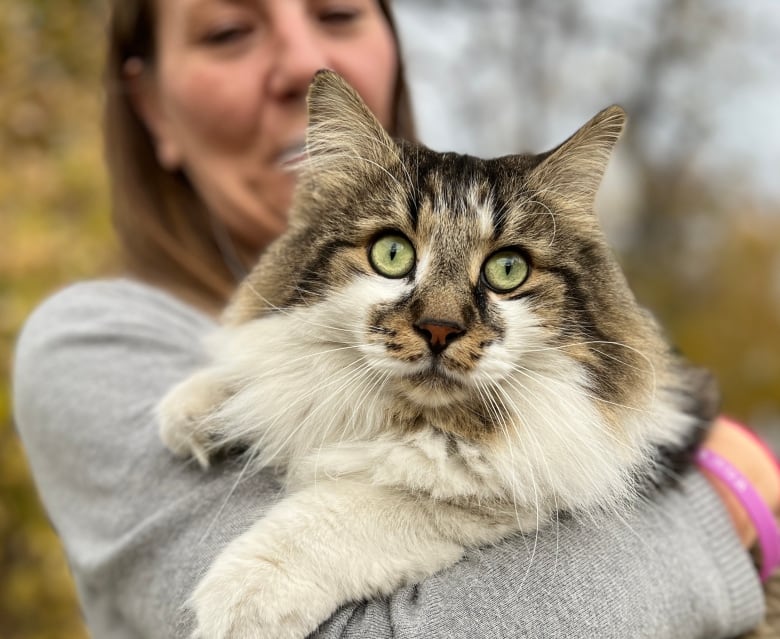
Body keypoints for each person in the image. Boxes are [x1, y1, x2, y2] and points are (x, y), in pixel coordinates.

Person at [11, 0, 779, 636]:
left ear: (392, 47)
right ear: (151, 106)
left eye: (339, 13)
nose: (442, 318)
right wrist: (732, 501)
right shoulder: (93, 341)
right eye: (228, 31)